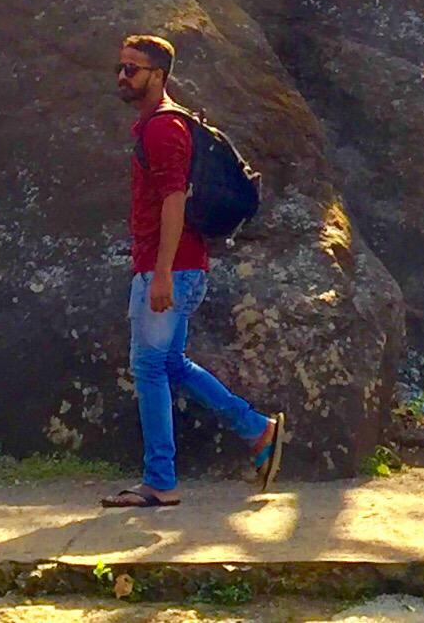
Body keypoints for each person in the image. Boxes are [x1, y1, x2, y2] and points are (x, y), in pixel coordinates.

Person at [105, 32, 284, 508]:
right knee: (169, 364)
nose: (122, 77)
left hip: (171, 267)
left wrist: (161, 273)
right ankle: (258, 429)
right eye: (120, 68)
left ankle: (159, 482)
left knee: (148, 367)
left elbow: (172, 201)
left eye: (132, 70)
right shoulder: (155, 126)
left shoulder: (165, 129)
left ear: (158, 76)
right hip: (172, 265)